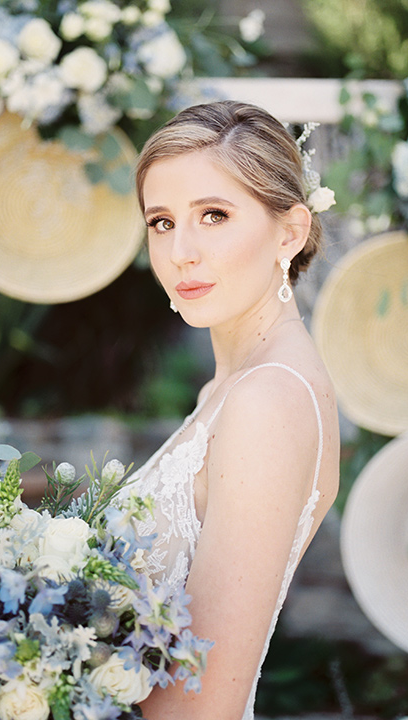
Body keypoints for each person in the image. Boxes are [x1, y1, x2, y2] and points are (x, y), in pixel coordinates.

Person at [127, 100, 340, 720]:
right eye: (161, 222)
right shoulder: (228, 388)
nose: (181, 251)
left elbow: (203, 702)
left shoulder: (268, 400)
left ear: (290, 232)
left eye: (213, 215)